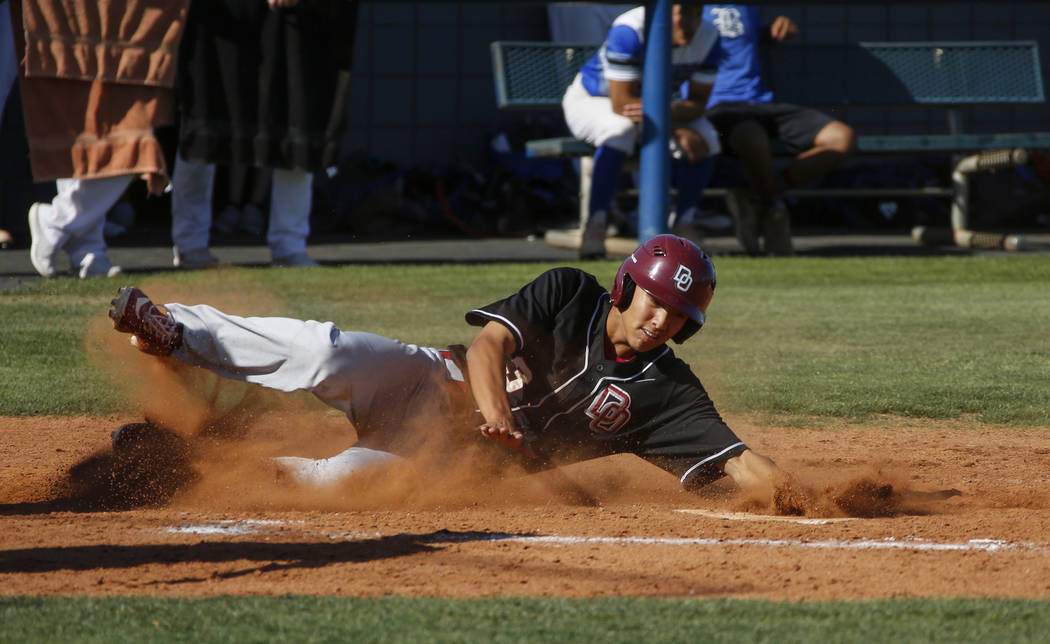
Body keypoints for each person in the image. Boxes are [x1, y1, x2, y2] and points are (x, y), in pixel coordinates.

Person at [107, 234, 783, 501]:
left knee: (339, 484)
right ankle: (176, 330)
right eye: (655, 300)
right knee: (324, 352)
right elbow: (489, 346)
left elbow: (736, 460)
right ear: (627, 285)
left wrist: (804, 498)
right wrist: (496, 417)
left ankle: (175, 465)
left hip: (438, 458)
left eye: (679, 314)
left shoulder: (668, 392)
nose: (661, 319)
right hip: (429, 379)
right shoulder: (571, 291)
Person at [170, 0, 358, 270]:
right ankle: (190, 245)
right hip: (223, 20)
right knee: (204, 125)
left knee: (298, 123)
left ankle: (290, 245)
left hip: (297, 23)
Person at [17, 0, 188, 277]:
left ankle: (76, 237)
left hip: (130, 20)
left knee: (130, 136)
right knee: (82, 128)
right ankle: (68, 229)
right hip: (86, 15)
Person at [562, 4, 733, 259]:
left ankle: (683, 222)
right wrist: (676, 126)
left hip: (657, 108)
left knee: (708, 137)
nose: (690, 22)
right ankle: (595, 224)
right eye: (682, 12)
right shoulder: (631, 28)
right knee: (619, 130)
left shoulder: (709, 34)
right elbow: (623, 103)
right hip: (595, 100)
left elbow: (698, 102)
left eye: (696, 12)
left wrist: (675, 122)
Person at [702, 4, 856, 256]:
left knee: (842, 138)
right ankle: (771, 211)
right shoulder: (682, 11)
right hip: (716, 107)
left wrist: (776, 28)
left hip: (762, 103)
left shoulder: (746, 7)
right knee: (752, 137)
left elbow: (740, 38)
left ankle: (761, 198)